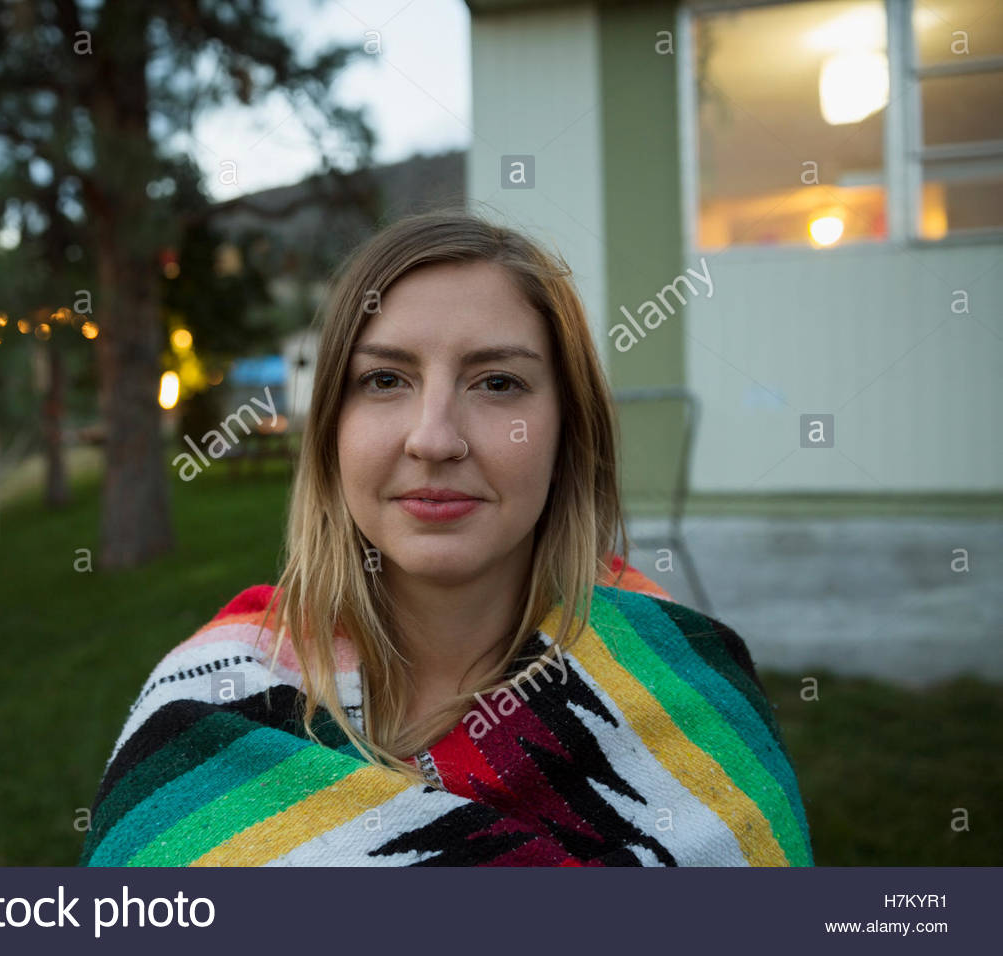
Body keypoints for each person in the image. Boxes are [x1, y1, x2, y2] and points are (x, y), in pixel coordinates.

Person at [78, 210, 813, 867]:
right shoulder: (210, 707)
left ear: (568, 430)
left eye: (497, 383)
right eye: (384, 381)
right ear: (332, 427)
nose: (434, 439)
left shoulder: (685, 688)